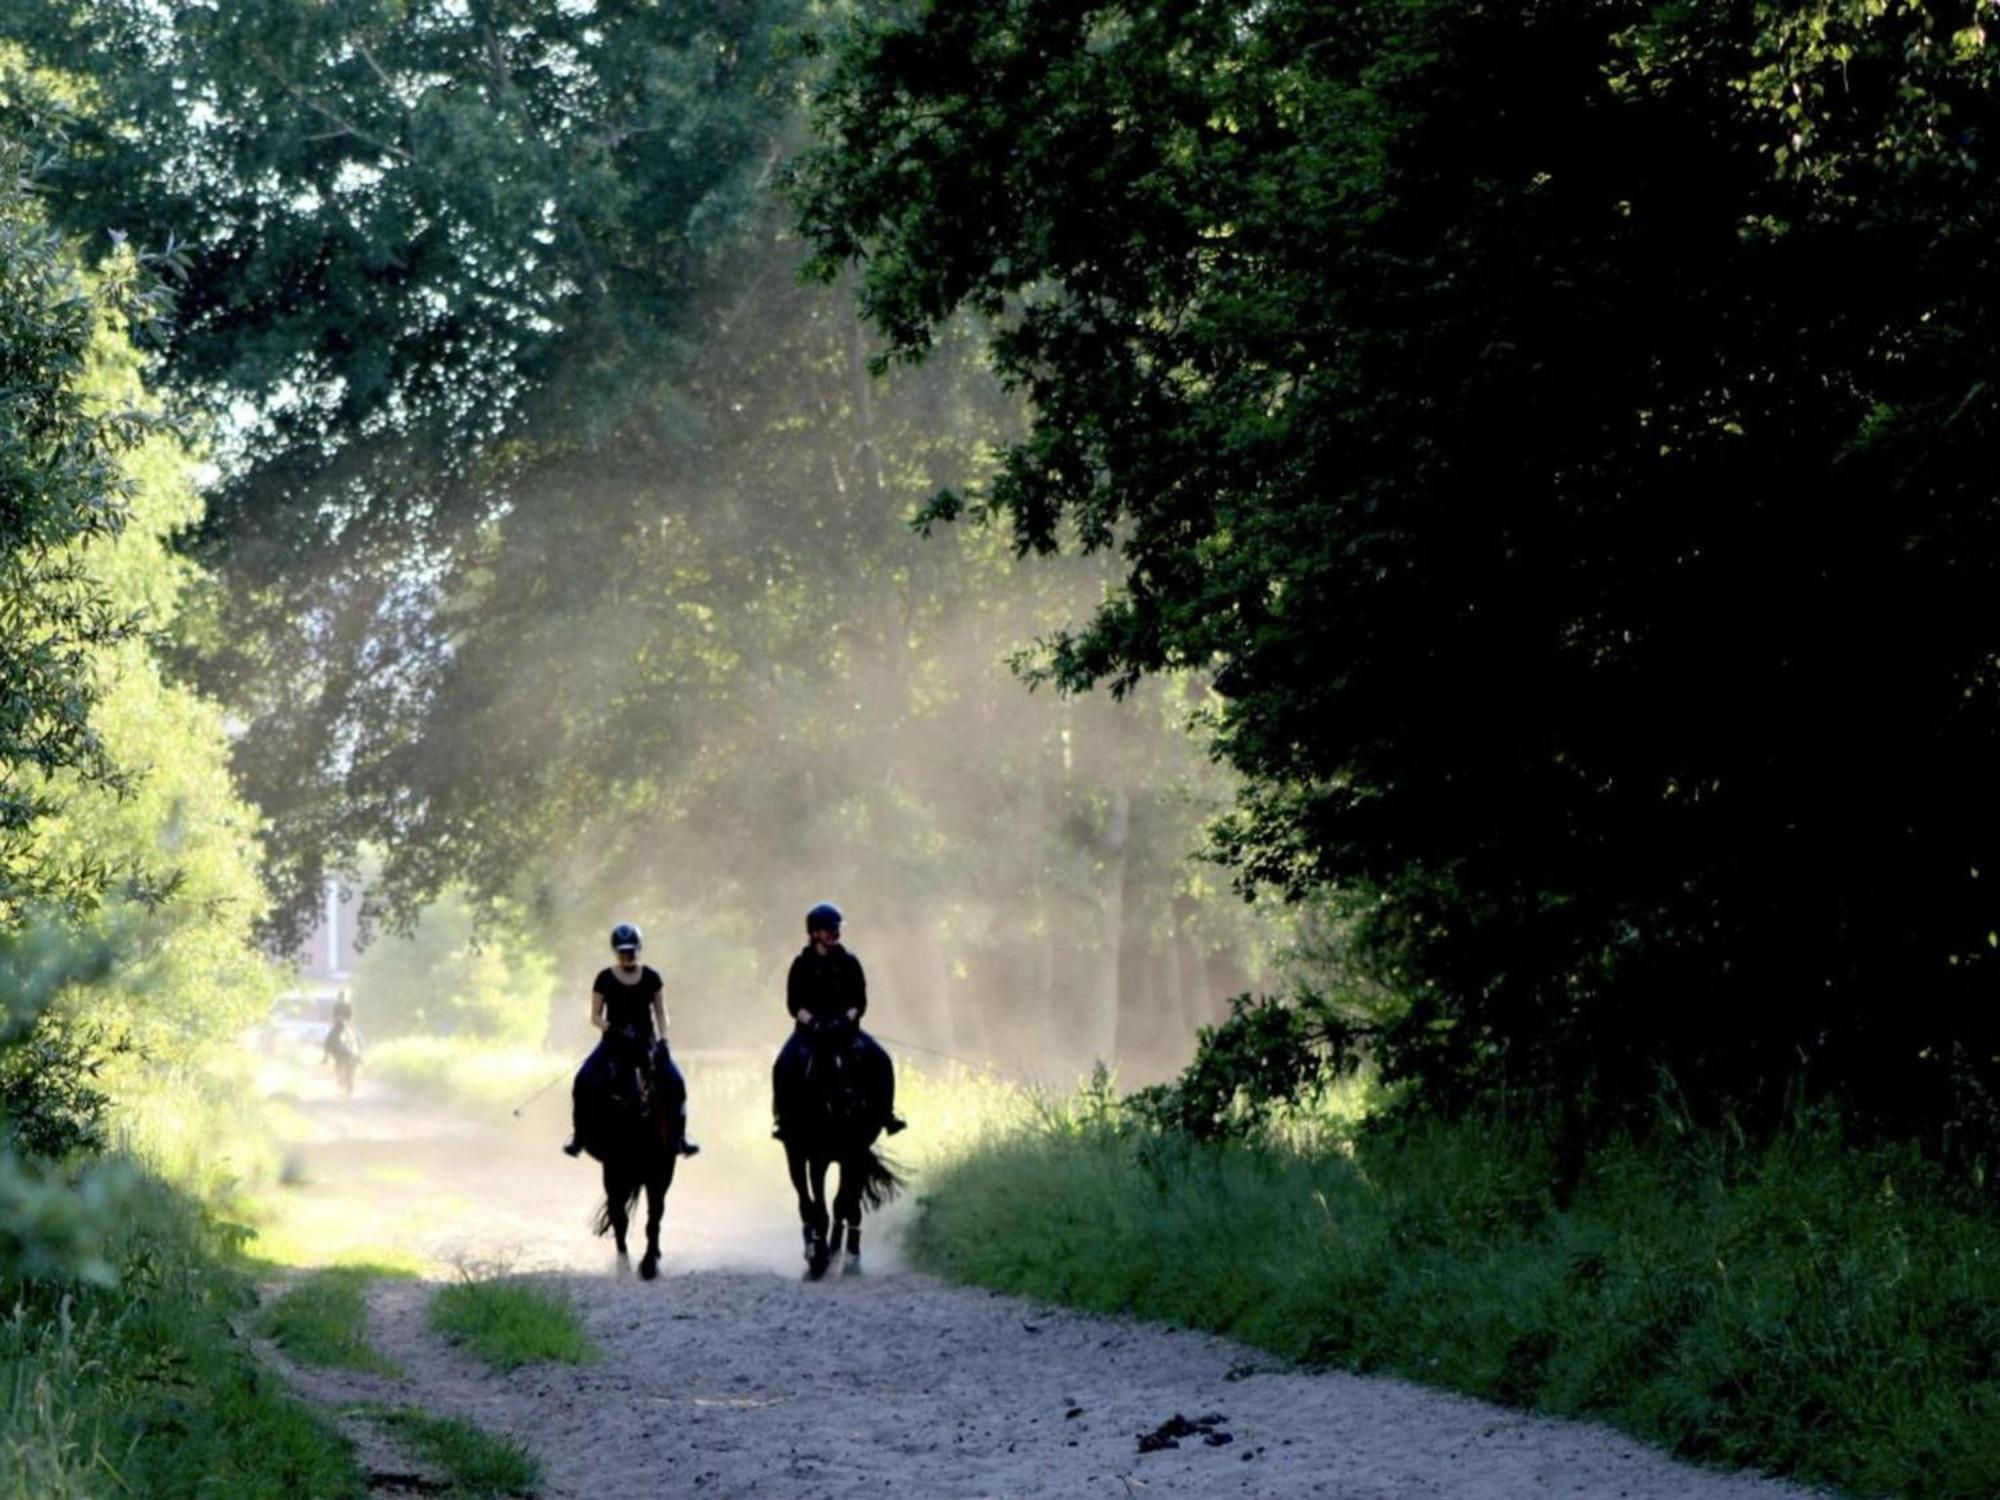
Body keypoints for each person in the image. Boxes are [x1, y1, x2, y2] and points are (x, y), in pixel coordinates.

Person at [562, 922, 700, 1159]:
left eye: (632, 950)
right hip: (613, 1044)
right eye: (623, 951)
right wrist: (609, 1027)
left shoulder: (652, 978)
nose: (627, 955)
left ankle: (680, 1138)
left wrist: (663, 1041)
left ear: (639, 949)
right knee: (583, 1079)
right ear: (615, 951)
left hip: (646, 1044)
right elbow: (594, 1016)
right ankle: (579, 1136)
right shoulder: (604, 978)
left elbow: (661, 1014)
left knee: (676, 1081)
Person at [771, 901, 906, 1139]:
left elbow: (859, 1001)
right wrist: (813, 1022)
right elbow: (795, 1004)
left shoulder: (849, 962)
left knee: (881, 1059)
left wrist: (844, 1020)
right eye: (829, 928)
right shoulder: (801, 965)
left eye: (836, 927)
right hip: (809, 1032)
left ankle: (887, 1114)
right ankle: (782, 1119)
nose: (835, 932)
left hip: (845, 1030)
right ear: (814, 933)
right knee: (782, 1065)